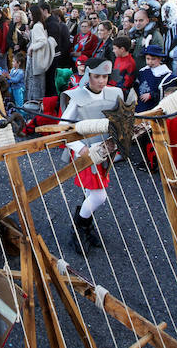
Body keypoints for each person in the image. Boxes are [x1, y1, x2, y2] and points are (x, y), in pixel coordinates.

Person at [60, 57, 124, 250]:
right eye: (97, 76)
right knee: (99, 196)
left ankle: (86, 228)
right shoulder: (77, 97)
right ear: (88, 76)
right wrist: (81, 149)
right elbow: (63, 127)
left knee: (92, 193)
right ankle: (79, 228)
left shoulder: (114, 94)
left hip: (105, 151)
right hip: (86, 153)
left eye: (105, 76)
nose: (102, 81)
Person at [133, 45, 171, 113]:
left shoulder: (166, 75)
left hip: (153, 106)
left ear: (160, 59)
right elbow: (137, 86)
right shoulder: (143, 71)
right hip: (140, 104)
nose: (150, 62)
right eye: (148, 59)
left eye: (153, 59)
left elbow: (166, 94)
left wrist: (151, 95)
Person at [26, 6, 52, 102]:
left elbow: (42, 41)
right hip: (36, 57)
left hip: (35, 58)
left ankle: (33, 103)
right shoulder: (39, 24)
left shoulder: (37, 26)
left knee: (35, 82)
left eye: (29, 13)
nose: (28, 15)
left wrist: (31, 48)